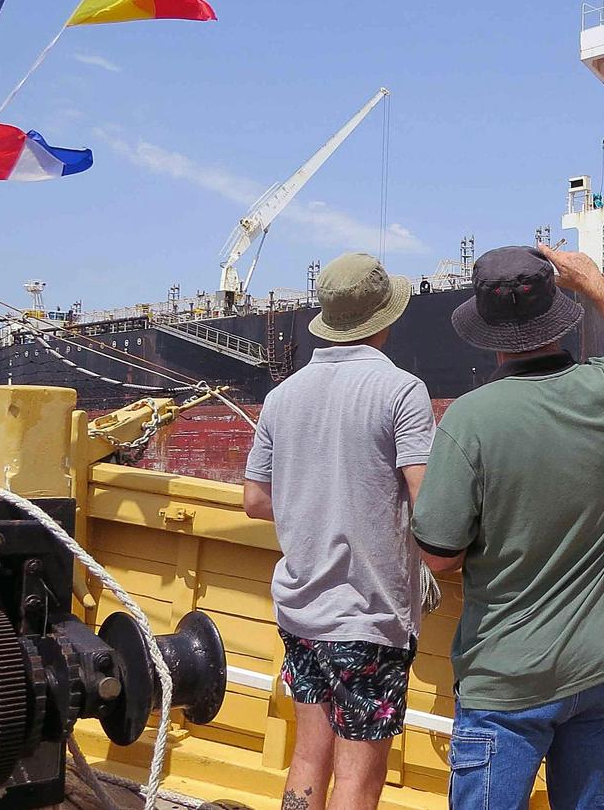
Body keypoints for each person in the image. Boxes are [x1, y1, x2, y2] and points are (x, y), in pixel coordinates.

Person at [412, 243, 604, 810]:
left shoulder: (470, 420)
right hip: (602, 665)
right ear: (557, 311)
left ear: (484, 329)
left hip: (509, 676)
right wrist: (594, 282)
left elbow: (438, 555)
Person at [243, 253, 435, 810]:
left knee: (308, 758)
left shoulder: (282, 396)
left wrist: (315, 505)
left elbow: (255, 500)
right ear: (385, 318)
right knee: (356, 780)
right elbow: (428, 504)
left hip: (300, 610)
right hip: (368, 616)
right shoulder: (402, 390)